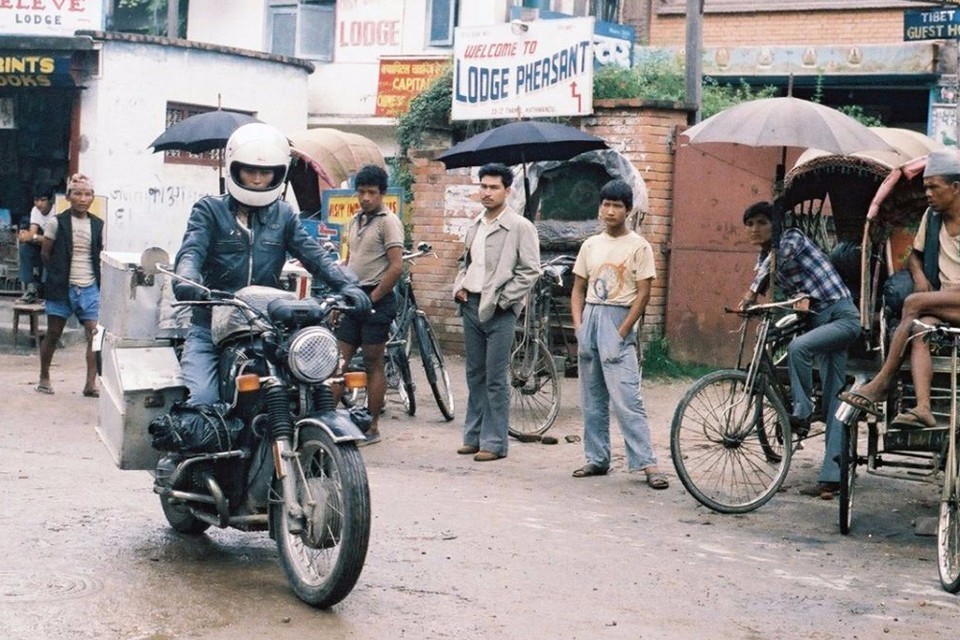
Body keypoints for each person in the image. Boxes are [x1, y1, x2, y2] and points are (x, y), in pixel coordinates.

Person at [173, 122, 371, 405]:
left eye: (265, 172)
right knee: (204, 400)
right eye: (249, 170)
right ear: (234, 169)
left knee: (307, 385)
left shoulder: (284, 215)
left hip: (265, 325)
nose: (256, 179)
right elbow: (191, 251)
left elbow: (314, 255)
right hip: (211, 325)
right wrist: (186, 279)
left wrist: (348, 285)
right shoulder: (209, 211)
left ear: (277, 174)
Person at [738, 201, 861, 500]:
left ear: (775, 224)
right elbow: (767, 277)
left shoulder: (791, 238)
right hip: (819, 322)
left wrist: (750, 294)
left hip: (843, 319)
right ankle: (831, 479)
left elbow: (766, 273)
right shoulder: (766, 255)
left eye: (761, 223)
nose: (754, 229)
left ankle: (802, 411)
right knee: (836, 402)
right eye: (750, 224)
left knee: (798, 348)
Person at [839, 149, 960, 431]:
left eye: (934, 187)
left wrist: (925, 296)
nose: (928, 193)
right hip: (946, 301)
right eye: (925, 187)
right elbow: (914, 257)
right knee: (919, 328)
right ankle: (923, 408)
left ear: (955, 188)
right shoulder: (932, 217)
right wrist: (918, 276)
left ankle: (882, 382)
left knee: (913, 304)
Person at [569, 179, 669, 489]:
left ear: (628, 210)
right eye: (606, 205)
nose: (610, 211)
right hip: (591, 315)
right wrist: (579, 326)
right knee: (592, 397)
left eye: (617, 206)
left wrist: (624, 329)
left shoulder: (638, 246)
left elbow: (643, 293)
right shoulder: (591, 245)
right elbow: (577, 288)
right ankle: (597, 459)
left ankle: (647, 463)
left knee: (627, 396)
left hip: (618, 319)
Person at [453, 162, 540, 462]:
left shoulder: (519, 227)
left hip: (500, 310)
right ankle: (473, 437)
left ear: (507, 190)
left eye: (493, 187)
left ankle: (494, 443)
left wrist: (505, 300)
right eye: (483, 186)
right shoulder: (475, 224)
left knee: (495, 378)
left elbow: (530, 271)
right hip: (471, 306)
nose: (487, 193)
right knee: (474, 373)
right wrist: (460, 286)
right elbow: (465, 263)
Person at [336, 164, 405, 446]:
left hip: (377, 300)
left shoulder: (388, 221)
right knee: (337, 362)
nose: (365, 198)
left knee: (372, 363)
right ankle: (332, 422)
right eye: (361, 192)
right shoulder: (355, 220)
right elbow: (349, 260)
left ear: (382, 194)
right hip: (353, 298)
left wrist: (373, 297)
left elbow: (397, 267)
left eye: (371, 193)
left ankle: (372, 426)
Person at [36, 174, 102, 397]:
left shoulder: (97, 224)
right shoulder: (57, 223)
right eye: (77, 194)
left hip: (90, 286)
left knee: (94, 333)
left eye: (87, 194)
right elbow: (46, 253)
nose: (83, 198)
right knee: (54, 333)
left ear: (92, 198)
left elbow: (98, 253)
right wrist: (58, 274)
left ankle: (90, 384)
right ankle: (44, 376)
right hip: (62, 286)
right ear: (68, 197)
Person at [16, 182, 55, 303]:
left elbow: (54, 240)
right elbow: (32, 233)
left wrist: (32, 236)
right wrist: (26, 236)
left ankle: (50, 293)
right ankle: (31, 288)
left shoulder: (57, 211)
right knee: (25, 247)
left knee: (50, 249)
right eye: (36, 200)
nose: (39, 204)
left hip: (55, 248)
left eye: (43, 200)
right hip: (43, 245)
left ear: (50, 200)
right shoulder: (35, 210)